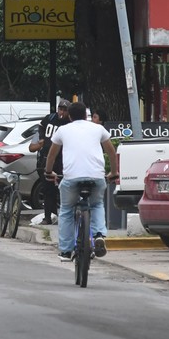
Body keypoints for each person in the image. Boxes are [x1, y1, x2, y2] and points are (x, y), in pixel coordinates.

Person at [44, 101, 119, 263]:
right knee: (97, 204)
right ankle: (99, 235)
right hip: (96, 177)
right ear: (87, 116)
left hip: (71, 178)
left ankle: (65, 251)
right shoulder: (98, 129)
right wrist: (113, 172)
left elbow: (51, 155)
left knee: (66, 210)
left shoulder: (62, 130)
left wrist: (49, 172)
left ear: (70, 116)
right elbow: (111, 153)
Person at [28, 100, 70, 225]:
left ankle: (63, 217)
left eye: (64, 109)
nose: (61, 112)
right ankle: (48, 216)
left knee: (64, 188)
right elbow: (40, 127)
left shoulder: (69, 123)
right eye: (60, 109)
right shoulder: (50, 118)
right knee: (48, 189)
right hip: (47, 158)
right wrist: (41, 139)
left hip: (62, 159)